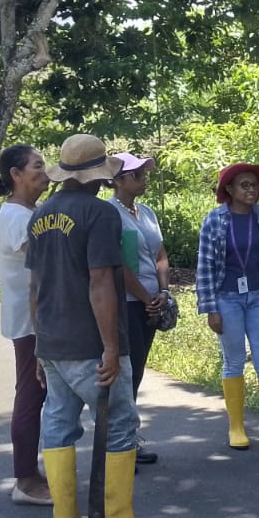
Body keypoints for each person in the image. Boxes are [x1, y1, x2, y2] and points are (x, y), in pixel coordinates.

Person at [28, 134, 168, 518]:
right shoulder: (100, 213)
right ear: (99, 174)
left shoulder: (41, 215)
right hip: (91, 341)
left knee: (59, 423)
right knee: (120, 422)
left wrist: (38, 345)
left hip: (52, 341)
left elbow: (35, 285)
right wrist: (111, 346)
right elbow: (102, 282)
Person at [197, 162, 259, 453]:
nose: (252, 190)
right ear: (229, 189)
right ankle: (236, 427)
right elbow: (205, 267)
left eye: (254, 185)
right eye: (244, 185)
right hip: (227, 298)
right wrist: (210, 308)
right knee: (234, 360)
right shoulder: (214, 220)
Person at [0, 143, 52, 507]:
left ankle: (32, 473)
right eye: (37, 166)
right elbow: (48, 265)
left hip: (37, 319)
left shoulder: (32, 211)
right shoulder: (17, 217)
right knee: (31, 396)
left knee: (37, 394)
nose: (45, 172)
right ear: (16, 175)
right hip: (32, 323)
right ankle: (25, 480)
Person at [108, 152, 170, 465]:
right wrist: (146, 299)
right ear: (118, 180)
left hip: (151, 301)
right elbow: (117, 263)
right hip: (127, 303)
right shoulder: (109, 213)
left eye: (144, 173)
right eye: (137, 175)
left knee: (138, 369)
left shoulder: (146, 212)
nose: (144, 179)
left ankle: (128, 440)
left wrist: (163, 292)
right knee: (126, 374)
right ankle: (120, 446)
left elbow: (160, 254)